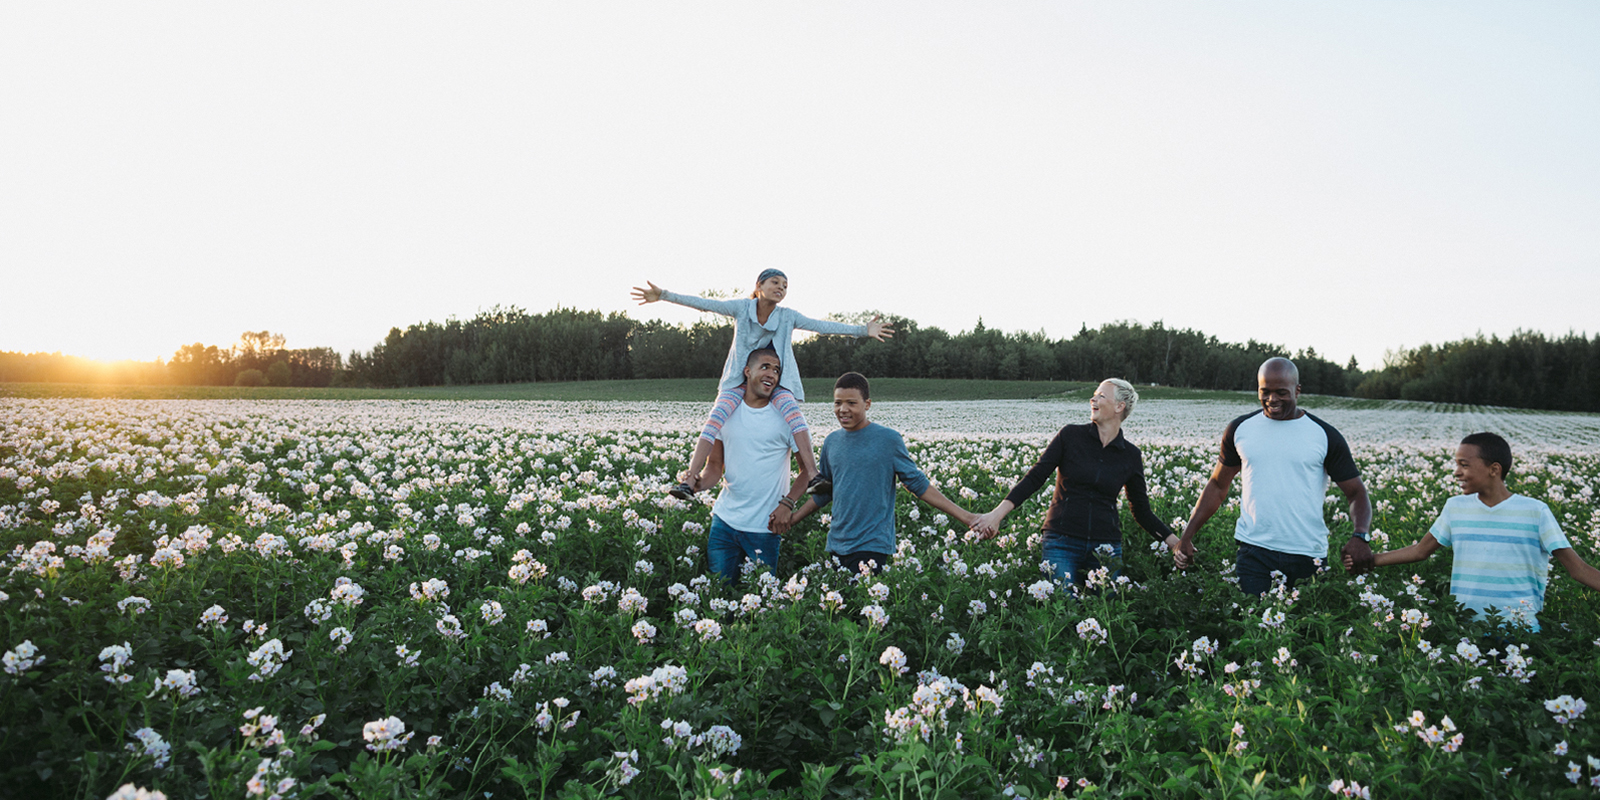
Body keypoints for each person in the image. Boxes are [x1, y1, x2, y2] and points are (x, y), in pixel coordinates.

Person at [631, 270, 894, 500]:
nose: (781, 288)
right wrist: (663, 294)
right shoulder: (741, 309)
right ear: (759, 287)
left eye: (785, 286)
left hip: (776, 380)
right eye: (775, 282)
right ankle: (689, 479)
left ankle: (814, 475)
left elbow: (821, 326)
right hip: (739, 380)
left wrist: (864, 330)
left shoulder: (787, 316)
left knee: (794, 416)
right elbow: (705, 305)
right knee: (714, 421)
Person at [1344, 432, 1600, 631]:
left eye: (1464, 465)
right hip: (1465, 628)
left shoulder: (1535, 511)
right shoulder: (1456, 507)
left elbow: (1577, 569)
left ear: (1494, 469)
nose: (1457, 472)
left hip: (1520, 628)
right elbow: (1421, 551)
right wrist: (1370, 560)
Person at [1172, 357, 1374, 594]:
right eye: (1264, 391)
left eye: (1281, 392)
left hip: (1308, 554)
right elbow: (1217, 486)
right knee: (1254, 626)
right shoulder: (1241, 429)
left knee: (1302, 630)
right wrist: (1187, 535)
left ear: (1297, 391)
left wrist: (1360, 535)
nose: (1272, 399)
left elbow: (1356, 493)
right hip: (1254, 551)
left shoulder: (1324, 435)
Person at [971, 379, 1181, 586]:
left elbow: (1142, 511)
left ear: (1120, 406)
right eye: (1094, 394)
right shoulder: (1070, 436)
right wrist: (996, 515)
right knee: (1061, 610)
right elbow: (1035, 478)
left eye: (1101, 396)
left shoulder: (1131, 455)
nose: (1093, 399)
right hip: (1061, 541)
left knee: (1104, 611)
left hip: (1106, 548)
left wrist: (1176, 544)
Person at [787, 372, 977, 574]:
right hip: (836, 544)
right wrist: (794, 518)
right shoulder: (831, 442)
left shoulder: (888, 440)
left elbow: (918, 485)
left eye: (852, 403)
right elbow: (824, 491)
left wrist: (967, 517)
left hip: (872, 545)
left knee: (868, 604)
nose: (843, 409)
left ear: (867, 404)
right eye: (837, 403)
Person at [690, 348, 812, 584]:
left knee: (761, 604)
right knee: (718, 597)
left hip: (765, 529)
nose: (772, 374)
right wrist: (698, 484)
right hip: (724, 523)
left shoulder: (787, 417)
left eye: (776, 370)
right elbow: (714, 467)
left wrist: (788, 503)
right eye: (765, 367)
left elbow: (808, 470)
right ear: (747, 371)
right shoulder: (725, 412)